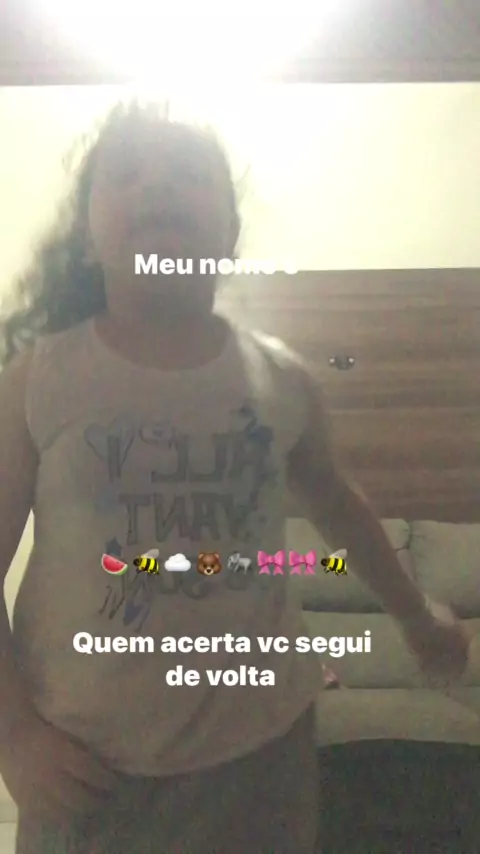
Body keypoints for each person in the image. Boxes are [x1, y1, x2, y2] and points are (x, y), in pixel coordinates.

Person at [0, 98, 468, 854]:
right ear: (86, 234)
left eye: (188, 174)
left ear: (230, 231)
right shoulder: (37, 382)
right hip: (89, 773)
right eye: (128, 173)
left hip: (264, 757)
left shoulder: (281, 379)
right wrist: (15, 736)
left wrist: (417, 619)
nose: (158, 185)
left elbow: (340, 508)